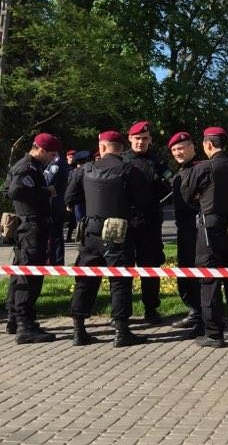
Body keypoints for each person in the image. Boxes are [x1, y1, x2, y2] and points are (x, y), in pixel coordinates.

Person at [66, 131, 150, 347]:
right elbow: (143, 202)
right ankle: (121, 332)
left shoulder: (84, 169)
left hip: (90, 233)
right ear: (122, 148)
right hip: (118, 232)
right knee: (120, 281)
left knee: (85, 280)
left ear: (102, 147)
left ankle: (78, 331)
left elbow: (70, 198)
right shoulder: (130, 171)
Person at [180, 126, 228, 347]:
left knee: (209, 280)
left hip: (209, 229)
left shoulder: (204, 168)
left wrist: (201, 197)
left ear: (208, 144)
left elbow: (186, 195)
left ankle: (214, 333)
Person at [3, 133, 61, 343]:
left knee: (20, 271)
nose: (53, 159)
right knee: (30, 274)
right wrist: (46, 192)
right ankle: (24, 325)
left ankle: (15, 318)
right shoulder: (27, 166)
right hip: (31, 227)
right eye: (51, 154)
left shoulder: (29, 166)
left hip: (29, 226)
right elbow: (15, 191)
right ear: (41, 150)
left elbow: (8, 188)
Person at [124, 120, 172, 325]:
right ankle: (122, 313)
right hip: (126, 222)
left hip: (150, 222)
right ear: (130, 139)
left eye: (144, 139)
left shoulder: (158, 162)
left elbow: (171, 186)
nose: (140, 142)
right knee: (123, 269)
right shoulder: (121, 160)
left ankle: (151, 309)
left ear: (150, 140)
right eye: (137, 138)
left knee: (150, 267)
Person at [167, 131, 203, 335]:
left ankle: (203, 318)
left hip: (198, 229)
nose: (178, 153)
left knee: (198, 274)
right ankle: (194, 311)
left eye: (181, 148)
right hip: (184, 230)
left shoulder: (201, 169)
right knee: (185, 273)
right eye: (174, 150)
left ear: (192, 148)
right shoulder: (180, 172)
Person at [44, 149, 70, 264]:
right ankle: (55, 261)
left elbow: (49, 181)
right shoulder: (57, 161)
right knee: (55, 234)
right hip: (55, 203)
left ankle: (55, 262)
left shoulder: (56, 163)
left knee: (54, 235)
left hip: (54, 203)